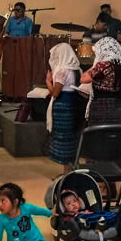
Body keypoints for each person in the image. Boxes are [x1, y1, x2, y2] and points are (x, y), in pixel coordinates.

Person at [45, 43, 82, 173]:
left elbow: (55, 93)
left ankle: (67, 173)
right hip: (74, 104)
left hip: (63, 106)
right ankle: (70, 171)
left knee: (64, 141)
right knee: (71, 140)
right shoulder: (77, 70)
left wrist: (48, 82)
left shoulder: (63, 71)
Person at [81, 37, 121, 126]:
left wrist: (92, 67)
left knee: (100, 132)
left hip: (101, 105)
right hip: (118, 105)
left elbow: (83, 79)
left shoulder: (102, 66)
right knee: (114, 132)